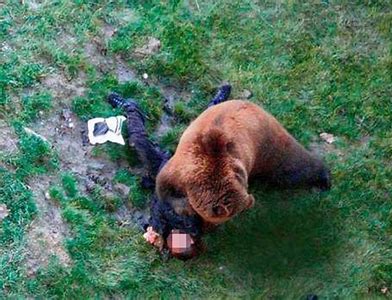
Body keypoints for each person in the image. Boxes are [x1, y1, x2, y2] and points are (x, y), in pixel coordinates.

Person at [107, 84, 232, 259]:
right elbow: (169, 204)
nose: (176, 240)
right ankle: (218, 104)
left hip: (161, 171)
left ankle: (130, 108)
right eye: (182, 243)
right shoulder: (194, 223)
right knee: (202, 131)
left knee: (138, 141)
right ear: (192, 240)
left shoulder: (165, 232)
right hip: (184, 170)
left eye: (174, 245)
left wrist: (153, 230)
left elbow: (158, 207)